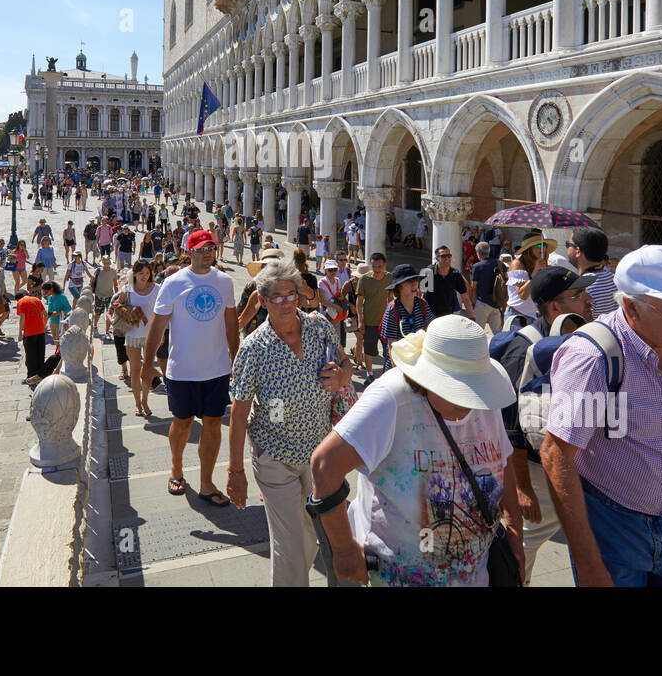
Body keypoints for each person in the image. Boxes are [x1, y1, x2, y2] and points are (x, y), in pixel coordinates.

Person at [541, 245, 662, 586]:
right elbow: (557, 456)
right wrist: (589, 565)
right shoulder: (593, 358)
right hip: (612, 527)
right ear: (631, 306)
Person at [308, 315, 523, 586]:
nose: (469, 402)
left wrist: (515, 531)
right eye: (458, 391)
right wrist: (342, 549)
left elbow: (503, 460)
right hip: (399, 576)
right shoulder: (391, 399)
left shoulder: (484, 399)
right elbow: (325, 464)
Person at [227, 261, 351, 586]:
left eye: (291, 295)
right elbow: (238, 413)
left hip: (319, 456)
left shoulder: (318, 327)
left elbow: (345, 362)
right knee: (290, 545)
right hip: (274, 458)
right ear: (262, 300)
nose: (285, 303)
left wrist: (342, 377)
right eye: (277, 297)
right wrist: (235, 472)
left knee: (311, 536)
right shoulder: (253, 349)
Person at [491, 266, 594, 582]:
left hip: (569, 466)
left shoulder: (574, 339)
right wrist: (522, 489)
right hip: (537, 474)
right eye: (577, 296)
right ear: (554, 307)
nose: (588, 300)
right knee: (522, 545)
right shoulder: (524, 349)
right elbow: (509, 426)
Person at [143, 229, 238, 505]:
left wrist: (236, 357)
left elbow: (231, 323)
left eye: (212, 248)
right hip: (182, 370)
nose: (208, 252)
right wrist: (147, 365)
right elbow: (157, 326)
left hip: (217, 369)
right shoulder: (173, 283)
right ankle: (176, 469)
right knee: (182, 423)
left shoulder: (225, 282)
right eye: (202, 248)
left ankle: (207, 484)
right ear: (190, 251)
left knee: (212, 424)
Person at [114, 261, 159, 417]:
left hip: (150, 336)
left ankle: (145, 401)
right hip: (132, 335)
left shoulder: (157, 289)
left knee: (146, 370)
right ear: (135, 274)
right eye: (141, 273)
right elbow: (116, 304)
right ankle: (137, 404)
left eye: (147, 273)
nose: (144, 277)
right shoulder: (127, 290)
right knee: (135, 371)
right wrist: (128, 311)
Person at [377, 263, 431, 373]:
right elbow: (391, 346)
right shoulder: (392, 309)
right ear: (399, 286)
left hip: (419, 365)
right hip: (398, 366)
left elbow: (431, 330)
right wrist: (397, 373)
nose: (415, 284)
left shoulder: (422, 304)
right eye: (409, 281)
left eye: (416, 280)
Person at [505, 233, 555, 329]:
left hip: (534, 316)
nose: (542, 249)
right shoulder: (517, 264)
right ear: (529, 249)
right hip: (516, 317)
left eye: (544, 245)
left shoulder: (541, 265)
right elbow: (523, 295)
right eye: (538, 245)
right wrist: (535, 272)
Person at [355, 253, 392, 380]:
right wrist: (360, 321)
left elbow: (391, 298)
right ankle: (369, 374)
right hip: (369, 321)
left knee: (388, 349)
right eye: (374, 266)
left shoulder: (389, 278)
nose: (376, 270)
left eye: (379, 267)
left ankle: (387, 373)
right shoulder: (364, 279)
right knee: (369, 350)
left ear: (384, 265)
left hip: (385, 322)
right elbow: (359, 301)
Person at [567, 227, 617, 317]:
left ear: (578, 251)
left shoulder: (584, 289)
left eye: (568, 244)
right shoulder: (614, 278)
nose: (567, 248)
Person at [421, 245, 471, 319]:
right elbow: (419, 294)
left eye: (449, 256)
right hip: (430, 315)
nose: (447, 258)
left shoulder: (455, 274)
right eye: (443, 256)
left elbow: (465, 297)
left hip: (448, 315)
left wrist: (472, 316)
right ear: (437, 258)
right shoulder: (428, 272)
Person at [19, 288, 55, 385]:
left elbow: (22, 317)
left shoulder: (21, 302)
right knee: (40, 354)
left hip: (29, 333)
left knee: (30, 356)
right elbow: (45, 315)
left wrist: (20, 333)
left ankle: (31, 378)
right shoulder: (37, 300)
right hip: (40, 331)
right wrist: (43, 326)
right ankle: (40, 376)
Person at [470, 241, 507, 334]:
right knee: (498, 333)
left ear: (478, 252)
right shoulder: (499, 264)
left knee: (476, 332)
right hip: (496, 303)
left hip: (482, 302)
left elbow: (473, 286)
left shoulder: (477, 266)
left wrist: (473, 301)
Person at [92, 256, 119, 335]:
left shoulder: (113, 272)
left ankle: (107, 331)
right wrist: (91, 294)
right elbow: (92, 282)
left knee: (109, 314)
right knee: (98, 313)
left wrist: (117, 296)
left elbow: (115, 284)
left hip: (110, 296)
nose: (106, 266)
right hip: (99, 296)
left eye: (107, 264)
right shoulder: (98, 271)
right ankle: (95, 326)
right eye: (105, 264)